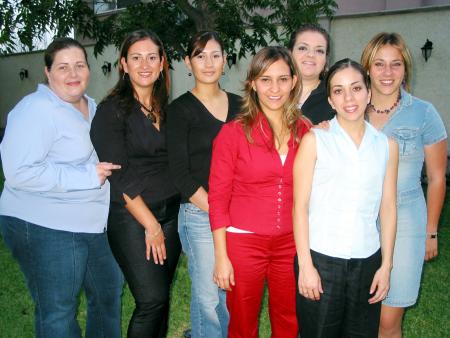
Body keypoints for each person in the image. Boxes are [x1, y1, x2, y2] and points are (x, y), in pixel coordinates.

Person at [0, 38, 123, 338]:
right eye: (63, 67)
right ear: (48, 72)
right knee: (58, 311)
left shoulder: (92, 107)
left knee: (108, 292)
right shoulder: (35, 109)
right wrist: (86, 176)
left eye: (79, 65)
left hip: (93, 225)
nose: (73, 73)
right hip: (44, 224)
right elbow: (18, 172)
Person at [209, 46, 311, 338]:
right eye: (266, 79)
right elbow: (218, 198)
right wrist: (221, 256)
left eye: (282, 79)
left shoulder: (306, 132)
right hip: (243, 243)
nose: (274, 88)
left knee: (289, 320)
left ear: (294, 81)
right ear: (253, 83)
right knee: (242, 323)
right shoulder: (233, 133)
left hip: (290, 243)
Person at [293, 58, 398, 338]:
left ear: (369, 93)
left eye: (356, 88)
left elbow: (387, 208)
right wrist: (305, 266)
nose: (349, 98)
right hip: (321, 260)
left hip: (367, 261)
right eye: (339, 91)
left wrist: (385, 266)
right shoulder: (315, 141)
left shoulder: (387, 146)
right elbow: (299, 207)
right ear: (330, 99)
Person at [90, 30, 180, 338]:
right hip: (133, 218)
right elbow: (120, 174)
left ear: (161, 64)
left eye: (152, 57)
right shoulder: (111, 111)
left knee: (163, 298)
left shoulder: (166, 108)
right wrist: (151, 225)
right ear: (124, 65)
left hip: (171, 215)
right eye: (136, 57)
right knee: (151, 300)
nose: (145, 64)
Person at [361, 32, 448, 338]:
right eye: (379, 64)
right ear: (367, 68)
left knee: (387, 319)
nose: (387, 73)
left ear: (405, 69)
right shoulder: (351, 108)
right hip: (359, 223)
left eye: (395, 64)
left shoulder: (423, 113)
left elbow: (437, 178)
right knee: (361, 315)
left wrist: (431, 232)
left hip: (406, 221)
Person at [166, 31, 241, 338]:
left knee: (229, 292)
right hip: (200, 214)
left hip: (238, 214)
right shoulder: (180, 110)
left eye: (215, 55)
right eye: (200, 56)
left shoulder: (242, 106)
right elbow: (180, 174)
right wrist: (217, 211)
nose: (208, 63)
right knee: (209, 296)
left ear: (225, 60)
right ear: (188, 62)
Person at [288, 23, 334, 124]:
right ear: (290, 53)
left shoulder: (335, 97)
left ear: (326, 59)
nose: (311, 55)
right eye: (303, 48)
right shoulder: (274, 93)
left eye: (319, 51)